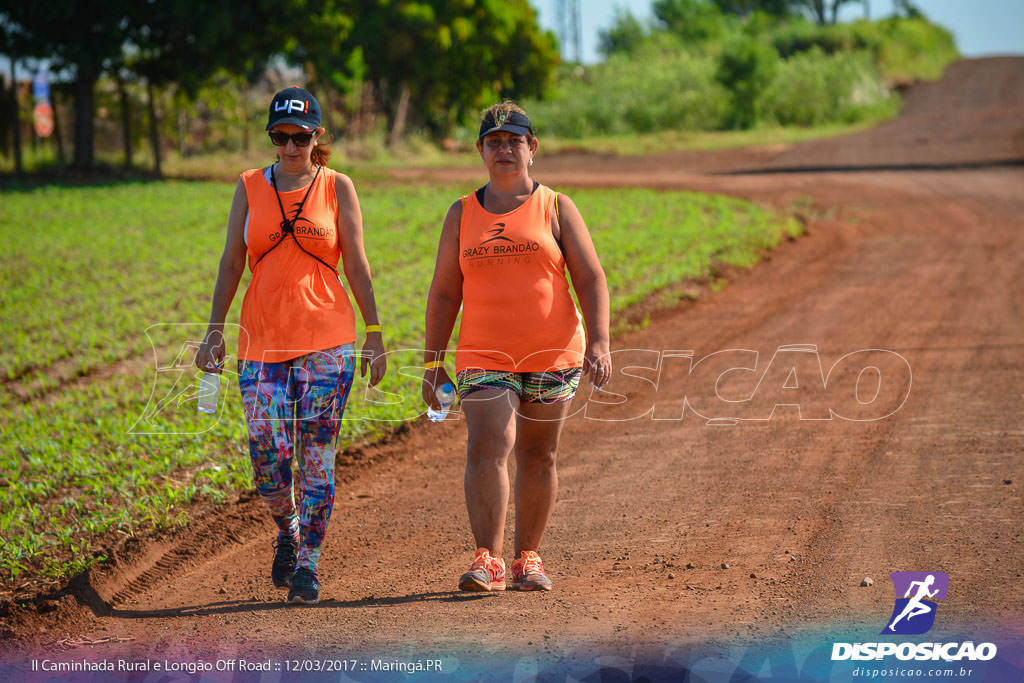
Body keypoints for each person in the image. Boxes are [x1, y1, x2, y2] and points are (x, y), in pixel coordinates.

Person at [195, 86, 386, 605]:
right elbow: (232, 262)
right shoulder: (249, 186)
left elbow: (358, 265)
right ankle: (288, 526)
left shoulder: (338, 187)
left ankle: (309, 566)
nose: (290, 146)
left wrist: (374, 333)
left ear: (317, 136)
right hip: (259, 343)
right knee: (268, 459)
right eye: (280, 136)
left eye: (300, 137)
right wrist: (214, 330)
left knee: (317, 458)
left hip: (328, 341)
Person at [422, 102, 611, 592]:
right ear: (481, 150)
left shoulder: (557, 206)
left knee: (538, 455)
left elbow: (590, 278)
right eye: (494, 142)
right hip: (485, 353)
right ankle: (488, 559)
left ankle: (529, 556)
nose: (505, 149)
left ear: (532, 149)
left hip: (553, 351)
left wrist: (601, 342)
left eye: (514, 141)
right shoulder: (461, 213)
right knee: (489, 444)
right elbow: (444, 291)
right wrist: (432, 362)